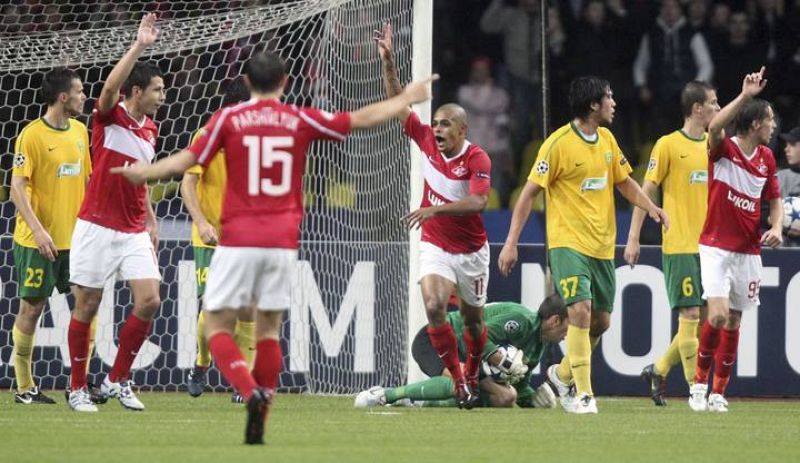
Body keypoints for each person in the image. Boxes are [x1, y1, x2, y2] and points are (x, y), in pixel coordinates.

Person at [112, 51, 437, 444]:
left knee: (215, 326)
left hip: (237, 238)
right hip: (280, 243)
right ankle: (261, 409)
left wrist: (144, 173)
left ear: (248, 83)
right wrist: (407, 97)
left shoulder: (229, 120)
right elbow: (360, 119)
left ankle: (248, 389)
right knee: (267, 331)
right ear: (284, 83)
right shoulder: (297, 118)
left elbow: (186, 161)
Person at [498, 76, 668, 414]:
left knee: (601, 322)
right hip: (567, 243)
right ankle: (584, 394)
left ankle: (561, 375)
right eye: (609, 97)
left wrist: (651, 207)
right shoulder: (557, 144)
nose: (614, 103)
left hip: (602, 246)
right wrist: (511, 242)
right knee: (579, 310)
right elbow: (528, 194)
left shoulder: (606, 139)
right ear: (593, 105)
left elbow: (624, 182)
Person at [375, 23, 491, 409]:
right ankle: (458, 381)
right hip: (436, 244)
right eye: (436, 123)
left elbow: (478, 203)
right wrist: (389, 62)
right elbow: (397, 103)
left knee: (473, 322)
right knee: (434, 306)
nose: (437, 129)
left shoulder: (477, 158)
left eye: (445, 124)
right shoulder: (424, 139)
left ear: (462, 129)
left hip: (471, 251)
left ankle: (472, 372)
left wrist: (434, 208)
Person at [66, 13, 164, 413]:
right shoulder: (108, 117)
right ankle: (77, 388)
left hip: (133, 229)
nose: (162, 96)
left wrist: (151, 219)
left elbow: (141, 179)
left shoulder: (151, 130)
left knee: (150, 300)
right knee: (87, 305)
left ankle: (116, 379)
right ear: (136, 91)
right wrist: (139, 45)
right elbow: (108, 89)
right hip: (96, 225)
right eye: (157, 90)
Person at [690, 67, 783, 412]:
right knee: (716, 316)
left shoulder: (767, 159)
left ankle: (718, 392)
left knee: (734, 320)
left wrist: (776, 226)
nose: (774, 126)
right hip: (715, 246)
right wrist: (745, 95)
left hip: (748, 250)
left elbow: (774, 199)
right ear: (756, 123)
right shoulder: (724, 150)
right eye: (770, 120)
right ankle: (698, 384)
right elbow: (713, 127)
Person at [624, 81, 720, 406]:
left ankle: (658, 369)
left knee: (707, 322)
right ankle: (697, 391)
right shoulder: (667, 145)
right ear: (697, 108)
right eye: (713, 103)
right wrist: (633, 237)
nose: (718, 109)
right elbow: (645, 192)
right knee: (690, 315)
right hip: (680, 245)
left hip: (712, 249)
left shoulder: (715, 146)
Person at [9, 68, 92, 405]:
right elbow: (17, 188)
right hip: (37, 240)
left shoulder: (81, 132)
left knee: (88, 302)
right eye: (80, 91)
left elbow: (87, 180)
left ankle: (80, 383)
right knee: (32, 308)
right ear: (63, 97)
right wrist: (39, 230)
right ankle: (24, 386)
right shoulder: (31, 135)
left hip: (75, 239)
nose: (84, 96)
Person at [354, 294, 569, 409]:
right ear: (554, 320)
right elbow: (470, 334)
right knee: (464, 382)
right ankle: (385, 395)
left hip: (466, 356)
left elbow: (519, 388)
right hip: (437, 340)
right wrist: (498, 358)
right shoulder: (520, 320)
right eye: (566, 329)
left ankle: (418, 400)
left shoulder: (538, 346)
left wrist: (534, 400)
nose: (566, 336)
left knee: (505, 397)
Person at [182, 77, 255, 403]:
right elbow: (187, 183)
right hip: (210, 237)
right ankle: (202, 362)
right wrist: (201, 222)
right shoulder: (207, 136)